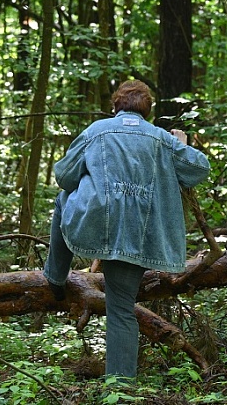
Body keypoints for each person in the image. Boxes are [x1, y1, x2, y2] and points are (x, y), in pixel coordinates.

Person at [43, 79, 211, 379]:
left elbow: (65, 177)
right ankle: (119, 390)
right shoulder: (161, 138)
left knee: (62, 199)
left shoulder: (96, 130)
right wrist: (182, 145)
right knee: (121, 309)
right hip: (139, 236)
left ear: (114, 106)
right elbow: (198, 169)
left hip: (96, 227)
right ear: (148, 110)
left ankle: (55, 276)